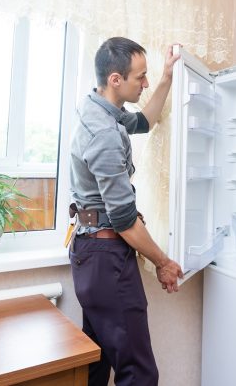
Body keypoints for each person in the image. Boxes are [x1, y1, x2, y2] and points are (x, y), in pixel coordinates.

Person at [68, 36, 184, 386]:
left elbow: (145, 122)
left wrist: (166, 77)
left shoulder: (101, 109)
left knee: (98, 361)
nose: (145, 83)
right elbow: (122, 219)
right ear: (116, 80)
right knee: (139, 373)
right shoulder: (103, 133)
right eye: (140, 77)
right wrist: (163, 262)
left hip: (90, 252)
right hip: (106, 256)